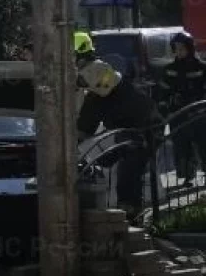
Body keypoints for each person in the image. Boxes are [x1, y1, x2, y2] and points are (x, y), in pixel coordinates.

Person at [75, 47, 163, 218]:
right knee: (103, 161)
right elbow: (84, 129)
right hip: (126, 134)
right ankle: (122, 207)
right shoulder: (97, 96)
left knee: (130, 167)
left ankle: (131, 210)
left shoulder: (126, 94)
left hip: (146, 131)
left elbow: (148, 121)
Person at [159, 31, 206, 187]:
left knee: (203, 145)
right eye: (176, 48)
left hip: (199, 114)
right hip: (177, 115)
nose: (179, 52)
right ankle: (187, 177)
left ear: (189, 48)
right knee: (181, 146)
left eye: (182, 48)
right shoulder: (169, 69)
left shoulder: (201, 67)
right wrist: (164, 110)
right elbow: (162, 93)